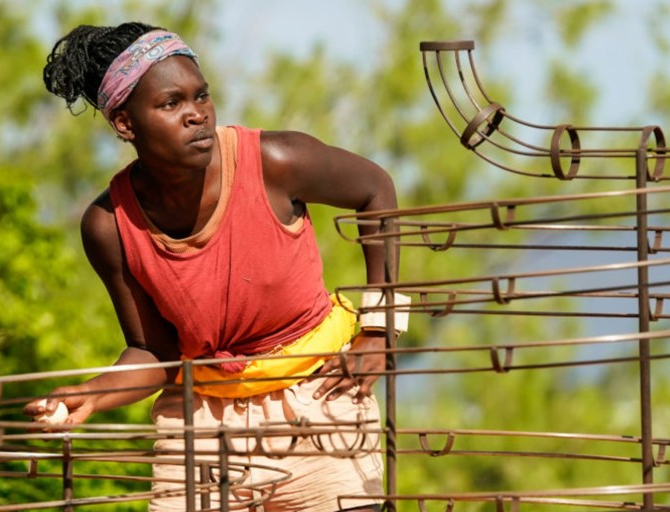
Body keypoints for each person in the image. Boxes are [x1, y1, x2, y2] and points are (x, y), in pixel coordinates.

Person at [26, 22, 405, 512]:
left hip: (318, 399)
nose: (197, 115)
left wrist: (379, 330)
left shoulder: (275, 161)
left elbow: (376, 190)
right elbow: (154, 352)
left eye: (201, 96)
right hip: (201, 421)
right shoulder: (109, 225)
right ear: (125, 123)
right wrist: (92, 395)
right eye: (171, 103)